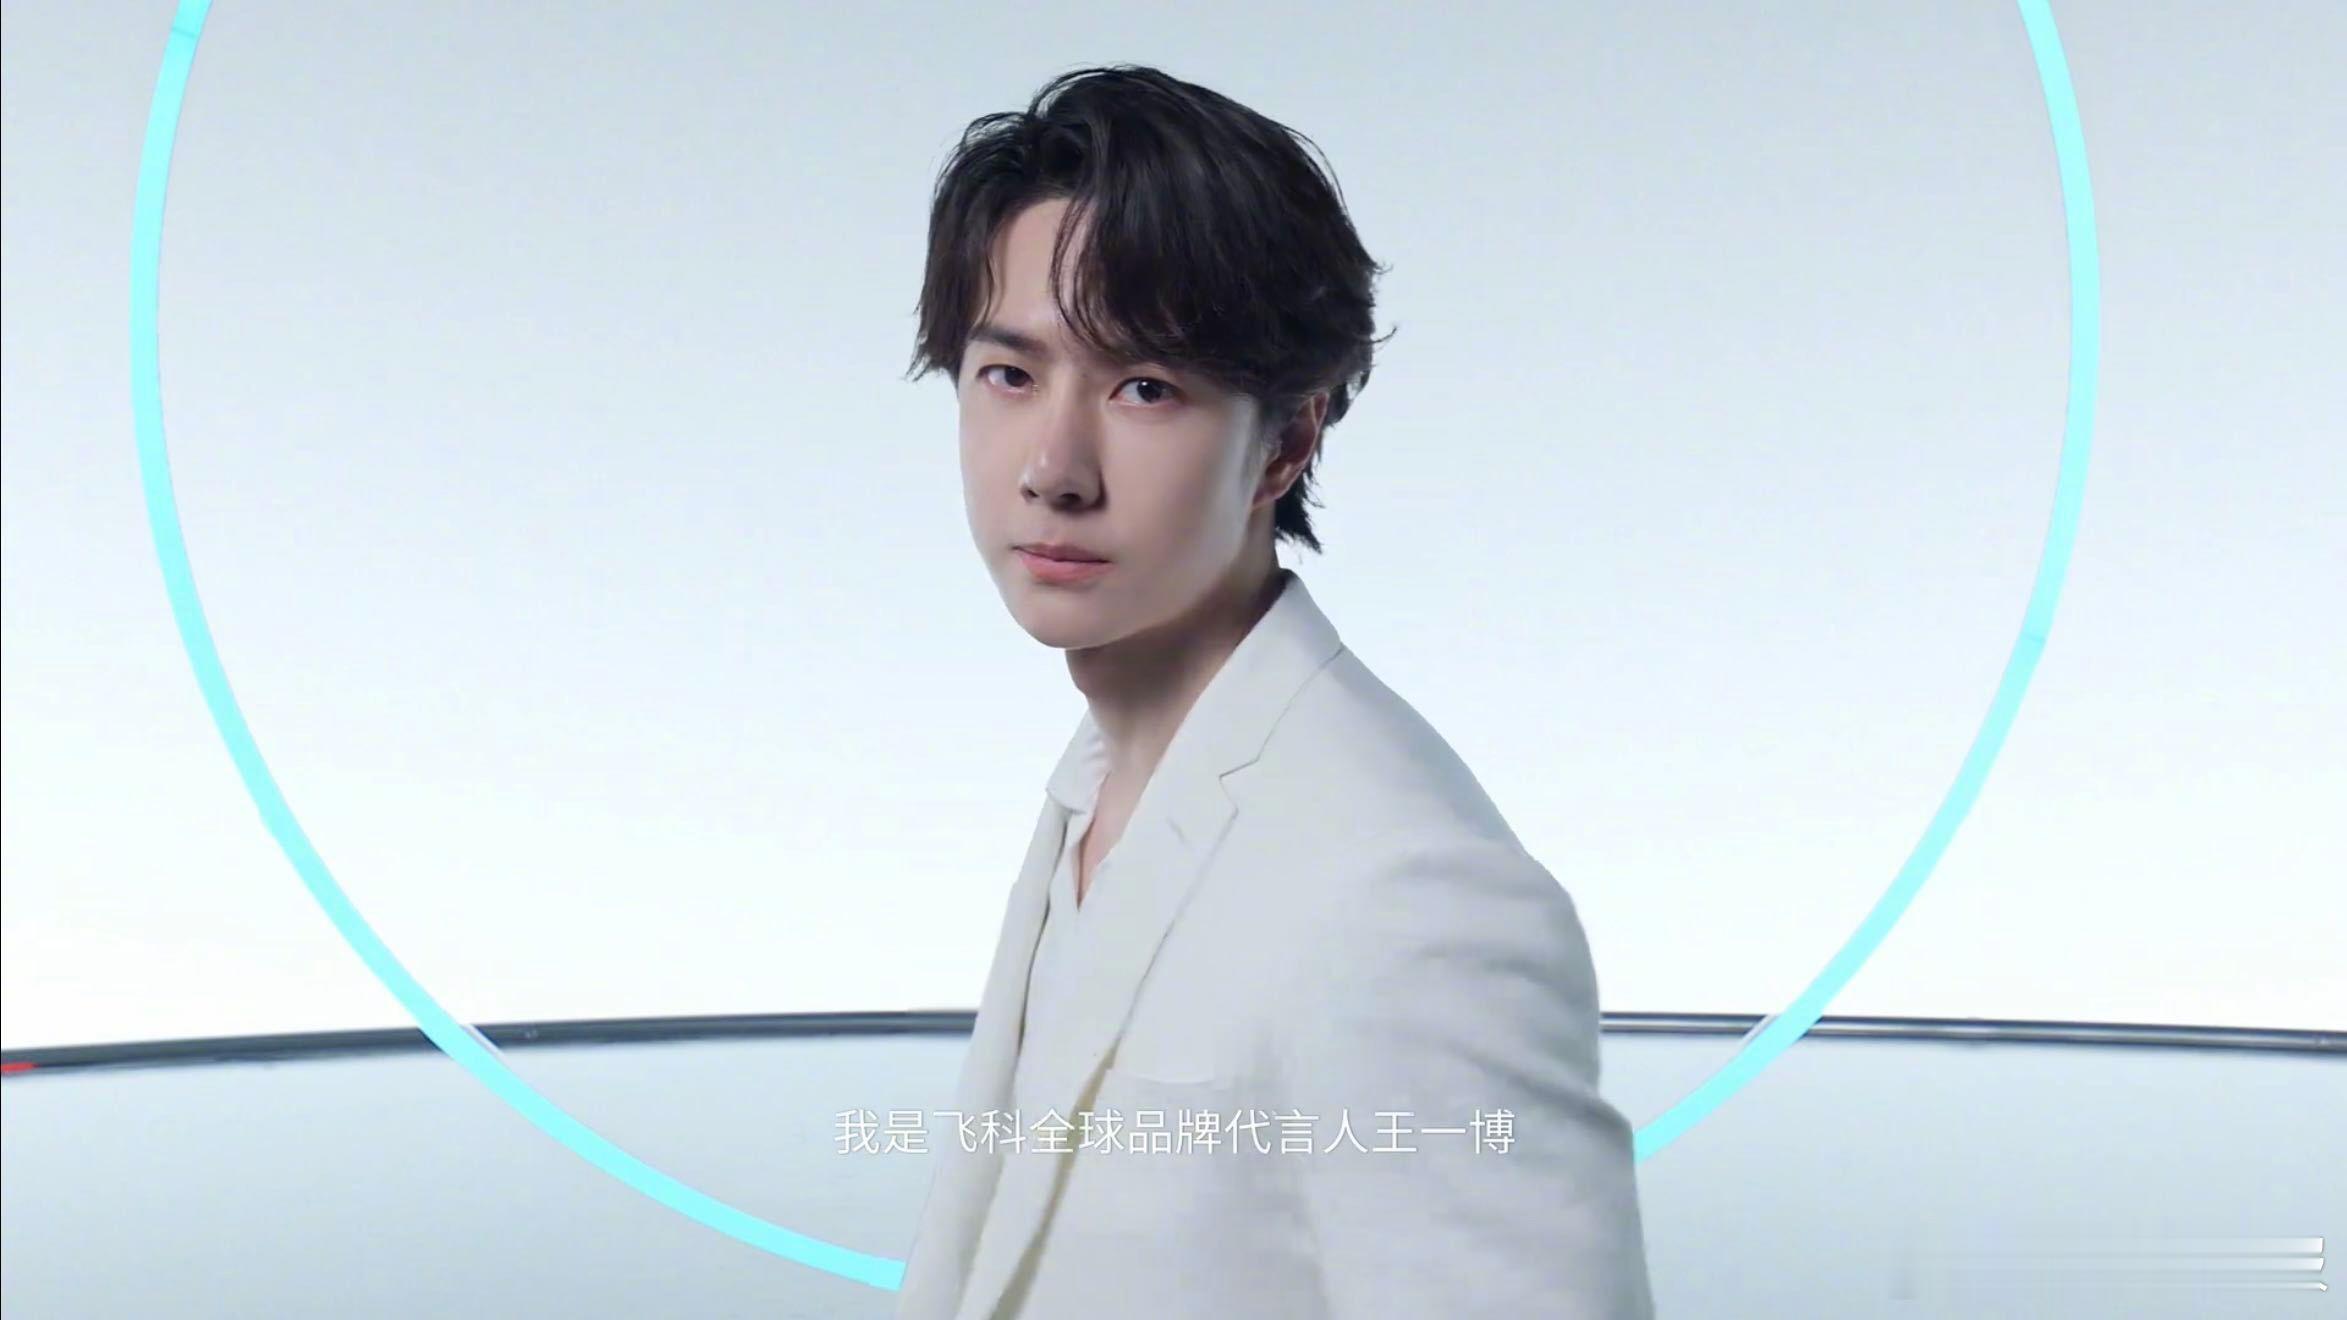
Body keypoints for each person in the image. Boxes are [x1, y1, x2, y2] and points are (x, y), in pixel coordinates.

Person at [891, 64, 1654, 1319]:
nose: (1054, 469)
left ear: (1286, 443)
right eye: (1010, 375)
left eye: (1144, 388)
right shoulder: (1104, 780)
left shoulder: (1408, 894)